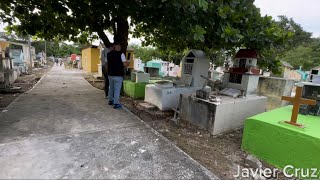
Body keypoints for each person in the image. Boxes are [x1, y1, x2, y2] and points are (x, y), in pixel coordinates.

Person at [107, 42, 129, 109]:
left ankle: (110, 101)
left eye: (119, 46)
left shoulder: (109, 54)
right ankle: (116, 104)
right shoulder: (121, 54)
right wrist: (128, 62)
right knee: (117, 89)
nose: (119, 47)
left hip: (110, 74)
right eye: (118, 46)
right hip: (118, 75)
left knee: (111, 88)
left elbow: (108, 64)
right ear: (115, 46)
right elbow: (125, 64)